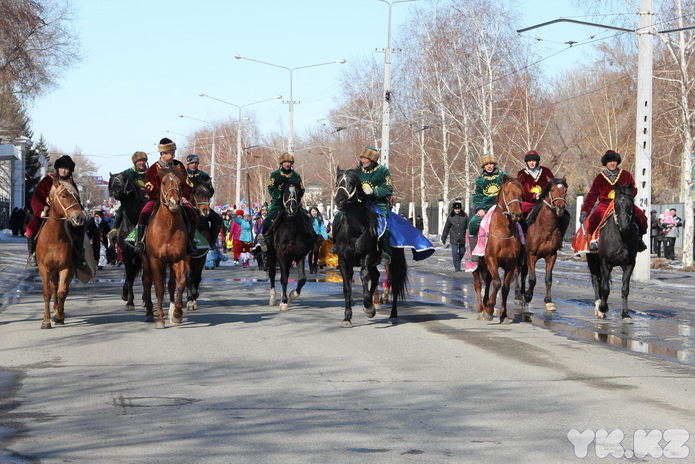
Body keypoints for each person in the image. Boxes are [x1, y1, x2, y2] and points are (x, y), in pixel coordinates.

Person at [134, 138, 198, 254]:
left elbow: (187, 183)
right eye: (171, 153)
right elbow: (149, 187)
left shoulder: (179, 166)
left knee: (192, 214)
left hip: (178, 199)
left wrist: (184, 196)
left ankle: (189, 242)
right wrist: (163, 197)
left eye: (174, 152)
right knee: (144, 213)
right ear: (163, 154)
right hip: (158, 200)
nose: (174, 155)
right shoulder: (153, 169)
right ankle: (140, 241)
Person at [578, 150, 648, 252]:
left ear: (617, 162)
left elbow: (634, 189)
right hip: (605, 204)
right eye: (609, 161)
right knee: (595, 216)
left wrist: (625, 196)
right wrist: (585, 211)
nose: (612, 163)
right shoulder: (600, 178)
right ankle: (593, 240)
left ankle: (639, 239)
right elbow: (592, 195)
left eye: (614, 161)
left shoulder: (626, 175)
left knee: (641, 215)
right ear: (605, 163)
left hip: (623, 202)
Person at [24, 155, 87, 267]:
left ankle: (79, 254)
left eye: (66, 168)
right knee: (30, 229)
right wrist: (40, 211)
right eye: (61, 168)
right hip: (46, 213)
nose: (63, 170)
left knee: (80, 228)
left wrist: (80, 211)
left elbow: (76, 201)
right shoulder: (48, 180)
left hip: (67, 215)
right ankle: (32, 255)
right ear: (57, 168)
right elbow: (36, 198)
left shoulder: (71, 183)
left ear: (70, 170)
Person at [257, 152, 312, 252]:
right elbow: (271, 188)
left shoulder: (296, 176)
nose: (287, 164)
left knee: (306, 217)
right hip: (278, 203)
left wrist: (296, 197)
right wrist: (281, 196)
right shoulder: (275, 175)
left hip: (293, 203)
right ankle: (264, 239)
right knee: (269, 219)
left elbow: (302, 189)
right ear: (281, 163)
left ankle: (313, 239)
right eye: (285, 162)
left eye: (289, 162)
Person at [356, 146, 394, 264]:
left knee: (383, 226)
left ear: (372, 159)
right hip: (360, 204)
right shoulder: (357, 170)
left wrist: (374, 191)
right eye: (361, 158)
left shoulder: (383, 171)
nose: (362, 160)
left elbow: (388, 188)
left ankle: (384, 252)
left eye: (365, 158)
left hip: (377, 204)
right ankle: (339, 246)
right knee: (339, 218)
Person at [468, 153, 507, 254]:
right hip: (485, 208)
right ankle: (474, 252)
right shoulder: (479, 180)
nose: (489, 166)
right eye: (486, 164)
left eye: (491, 163)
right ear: (483, 166)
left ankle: (521, 252)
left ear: (494, 164)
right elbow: (476, 196)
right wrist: (479, 209)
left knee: (521, 222)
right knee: (472, 224)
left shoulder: (503, 176)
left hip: (502, 208)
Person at [185, 153, 224, 245]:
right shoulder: (183, 175)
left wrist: (205, 199)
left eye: (196, 163)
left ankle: (212, 241)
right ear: (188, 164)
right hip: (186, 204)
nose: (194, 165)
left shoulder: (204, 176)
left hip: (202, 204)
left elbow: (211, 190)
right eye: (192, 163)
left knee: (217, 219)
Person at [111, 151, 148, 233]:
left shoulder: (150, 172)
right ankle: (115, 229)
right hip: (133, 198)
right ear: (135, 162)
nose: (142, 163)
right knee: (122, 208)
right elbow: (119, 179)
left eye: (143, 160)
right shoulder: (129, 172)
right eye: (139, 161)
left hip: (148, 197)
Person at [441, 201, 469, 272]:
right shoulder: (450, 217)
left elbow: (468, 226)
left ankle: (457, 262)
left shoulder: (464, 216)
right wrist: (443, 238)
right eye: (456, 209)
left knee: (462, 252)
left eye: (458, 209)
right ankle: (457, 267)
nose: (457, 210)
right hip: (454, 238)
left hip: (462, 237)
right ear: (453, 209)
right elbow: (446, 228)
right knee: (454, 252)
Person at [308, 206, 329, 273]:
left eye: (315, 211)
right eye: (313, 211)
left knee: (316, 252)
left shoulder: (319, 219)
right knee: (310, 252)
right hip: (310, 237)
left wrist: (325, 236)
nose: (314, 212)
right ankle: (311, 267)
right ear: (310, 212)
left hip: (318, 237)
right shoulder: (308, 219)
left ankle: (315, 265)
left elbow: (322, 228)